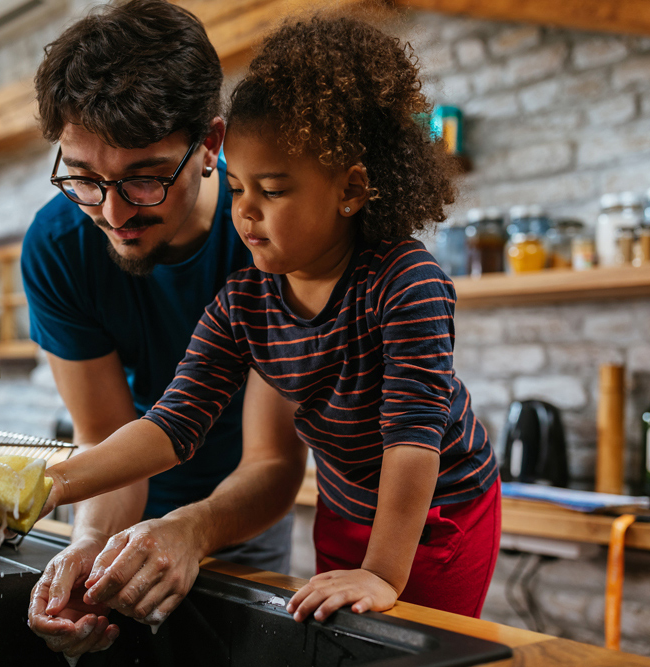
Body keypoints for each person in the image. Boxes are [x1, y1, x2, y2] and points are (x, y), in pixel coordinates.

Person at [40, 13, 502, 622]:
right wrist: (49, 485)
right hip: (346, 506)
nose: (246, 213)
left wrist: (383, 571)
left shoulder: (406, 283)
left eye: (273, 191)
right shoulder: (246, 302)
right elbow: (170, 425)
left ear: (351, 189)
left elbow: (412, 440)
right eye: (237, 191)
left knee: (416, 644)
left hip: (439, 509)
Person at [19, 0, 306, 658]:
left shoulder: (268, 238)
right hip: (123, 491)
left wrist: (190, 529)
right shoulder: (60, 244)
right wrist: (89, 543)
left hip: (242, 509)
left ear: (209, 144)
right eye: (84, 178)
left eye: (145, 178)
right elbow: (103, 437)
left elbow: (273, 460)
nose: (113, 211)